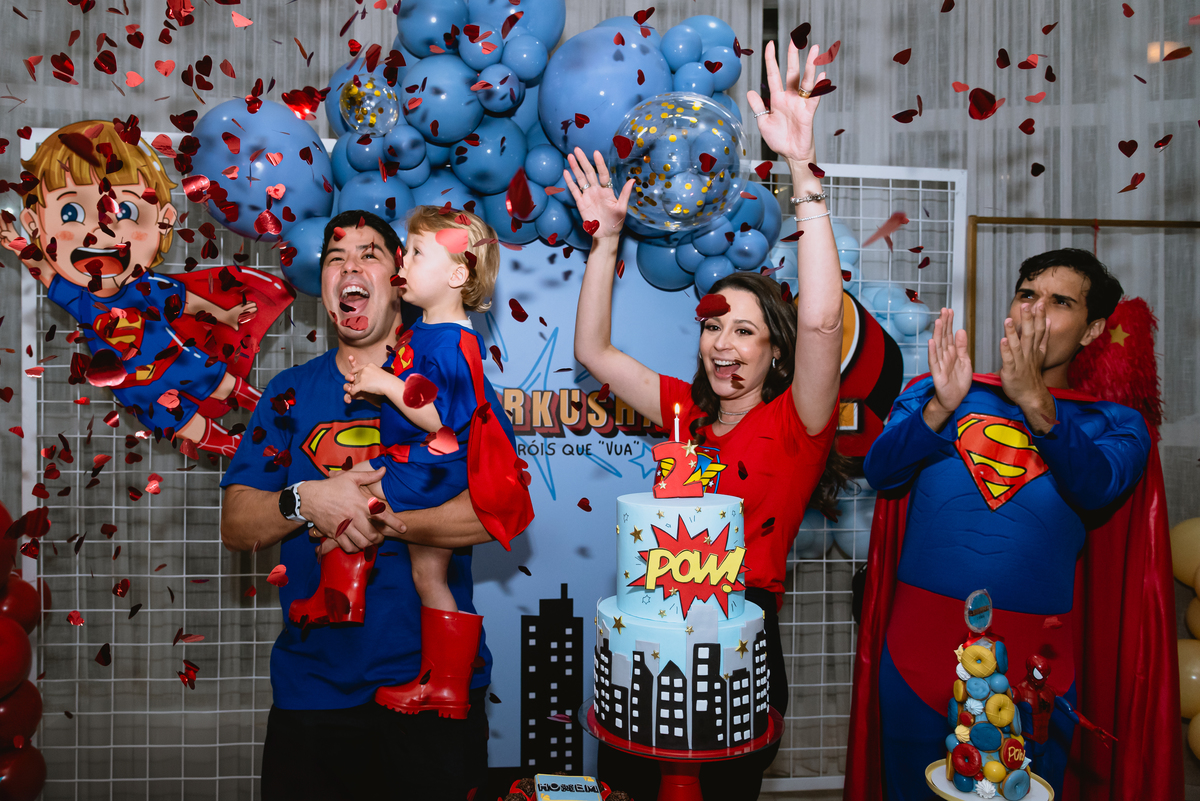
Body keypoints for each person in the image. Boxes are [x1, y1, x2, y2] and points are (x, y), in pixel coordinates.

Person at [572, 41, 847, 801]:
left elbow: (823, 324)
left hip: (738, 653)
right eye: (713, 325)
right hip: (646, 654)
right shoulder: (681, 412)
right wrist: (605, 240)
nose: (723, 344)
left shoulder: (800, 424)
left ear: (775, 351)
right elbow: (593, 349)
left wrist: (801, 171)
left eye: (746, 330)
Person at [845, 248, 1174, 800]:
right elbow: (882, 470)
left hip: (1036, 665)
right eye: (1028, 295)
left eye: (1060, 302)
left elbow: (1099, 488)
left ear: (1093, 331)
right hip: (917, 651)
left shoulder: (1116, 424)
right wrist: (937, 409)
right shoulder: (940, 389)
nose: (1036, 312)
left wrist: (1038, 407)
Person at [220, 210, 515, 800]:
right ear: (324, 285)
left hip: (430, 689)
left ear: (401, 275)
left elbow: (497, 509)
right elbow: (237, 522)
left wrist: (378, 519)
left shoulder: (448, 377)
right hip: (314, 694)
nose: (350, 267)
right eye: (335, 259)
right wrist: (309, 500)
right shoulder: (289, 393)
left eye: (370, 254)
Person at [323, 206, 531, 717]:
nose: (404, 261)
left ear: (457, 275)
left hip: (429, 468)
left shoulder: (456, 342)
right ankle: (445, 686)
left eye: (416, 254)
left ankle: (335, 605)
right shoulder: (425, 333)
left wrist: (384, 383)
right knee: (429, 580)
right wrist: (376, 381)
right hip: (419, 462)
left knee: (346, 503)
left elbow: (441, 416)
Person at [0, 119, 293, 456]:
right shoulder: (80, 298)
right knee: (181, 423)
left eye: (124, 209)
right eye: (71, 211)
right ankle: (236, 448)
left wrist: (224, 314)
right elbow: (45, 272)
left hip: (179, 361)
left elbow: (187, 302)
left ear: (164, 219)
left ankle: (274, 411)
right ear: (35, 225)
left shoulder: (145, 285)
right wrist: (19, 247)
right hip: (137, 387)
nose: (101, 229)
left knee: (222, 383)